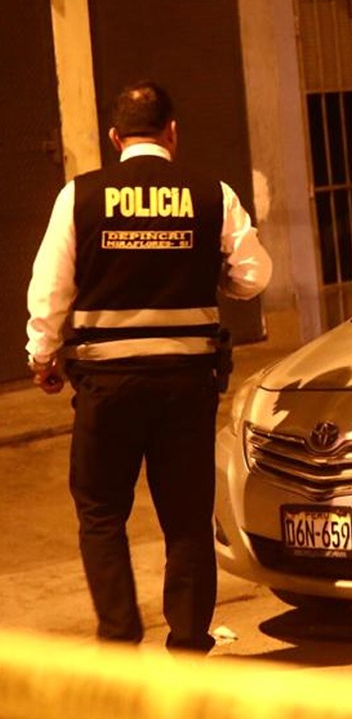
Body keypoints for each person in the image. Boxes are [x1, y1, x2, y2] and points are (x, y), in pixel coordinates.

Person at [25, 80, 272, 653]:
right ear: (172, 132)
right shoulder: (214, 194)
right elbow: (254, 276)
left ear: (115, 138)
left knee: (101, 512)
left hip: (106, 384)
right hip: (186, 384)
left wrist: (42, 357)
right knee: (186, 517)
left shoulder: (79, 196)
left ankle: (119, 639)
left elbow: (49, 289)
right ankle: (188, 642)